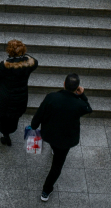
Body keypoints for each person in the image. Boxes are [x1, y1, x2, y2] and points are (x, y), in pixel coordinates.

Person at [30, 73, 92, 201]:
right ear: (77, 88)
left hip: (50, 134)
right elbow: (88, 109)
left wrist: (34, 125)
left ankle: (53, 149)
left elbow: (40, 113)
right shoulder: (79, 104)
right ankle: (46, 191)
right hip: (66, 140)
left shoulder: (52, 97)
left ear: (63, 84)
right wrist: (82, 95)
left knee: (54, 147)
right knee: (57, 166)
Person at [0, 40, 38, 146]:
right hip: (20, 96)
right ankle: (9, 131)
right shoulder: (30, 64)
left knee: (3, 118)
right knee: (14, 116)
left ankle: (5, 134)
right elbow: (34, 61)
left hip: (5, 97)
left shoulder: (5, 66)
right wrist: (22, 55)